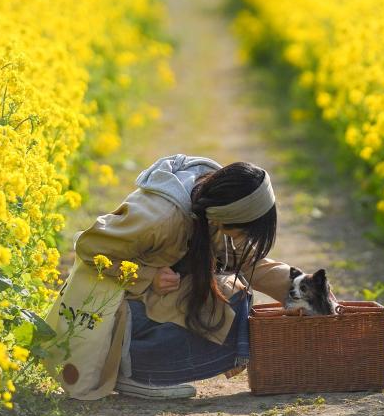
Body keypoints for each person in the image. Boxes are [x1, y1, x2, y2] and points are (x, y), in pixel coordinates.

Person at [73, 153, 298, 399]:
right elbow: (88, 247)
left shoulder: (212, 205)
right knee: (228, 300)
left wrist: (303, 288)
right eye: (246, 231)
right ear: (233, 217)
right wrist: (149, 276)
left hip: (148, 303)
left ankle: (146, 365)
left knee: (235, 294)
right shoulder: (160, 217)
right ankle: (135, 372)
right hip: (113, 312)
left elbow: (249, 262)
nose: (243, 239)